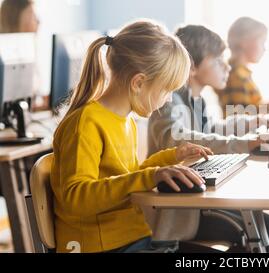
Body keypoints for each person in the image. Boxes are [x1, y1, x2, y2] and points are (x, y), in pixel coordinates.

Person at [50, 19, 213, 253]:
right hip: (98, 246)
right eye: (166, 89)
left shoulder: (126, 120)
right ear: (138, 83)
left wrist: (171, 158)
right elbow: (75, 197)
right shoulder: (86, 123)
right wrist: (152, 175)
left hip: (129, 239)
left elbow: (126, 177)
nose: (167, 99)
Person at [148, 25, 269, 253]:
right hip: (177, 216)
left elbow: (211, 129)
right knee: (260, 230)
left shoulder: (195, 99)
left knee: (264, 225)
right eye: (218, 59)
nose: (226, 65)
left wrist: (254, 122)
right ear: (192, 67)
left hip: (196, 203)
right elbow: (178, 140)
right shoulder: (169, 101)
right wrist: (244, 144)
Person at [215, 17, 269, 116]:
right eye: (262, 42)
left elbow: (250, 109)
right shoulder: (236, 75)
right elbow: (241, 118)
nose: (264, 48)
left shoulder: (240, 73)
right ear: (245, 42)